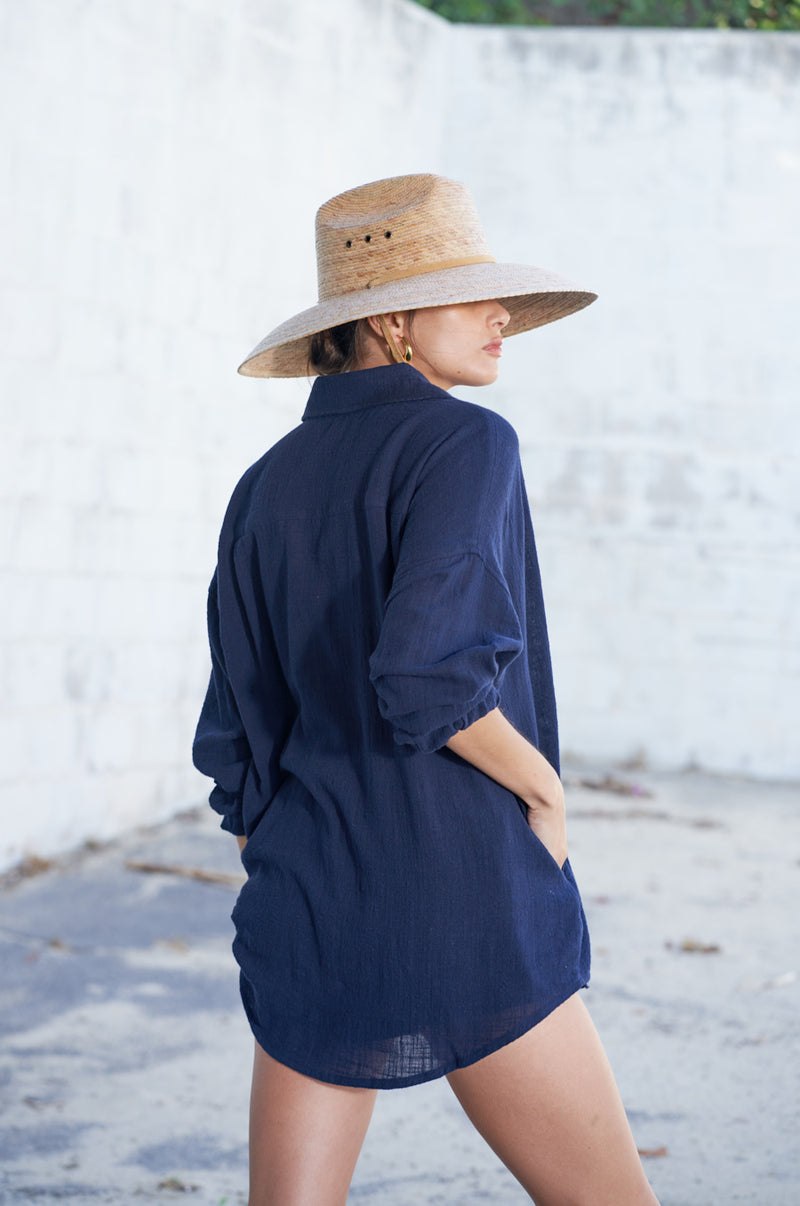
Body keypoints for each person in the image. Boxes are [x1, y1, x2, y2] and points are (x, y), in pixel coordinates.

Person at [193, 174, 660, 1206]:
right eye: (471, 293)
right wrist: (542, 790)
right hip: (457, 891)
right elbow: (424, 672)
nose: (502, 316)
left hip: (308, 899)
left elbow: (233, 737)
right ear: (393, 319)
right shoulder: (465, 441)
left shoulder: (263, 484)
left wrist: (292, 854)